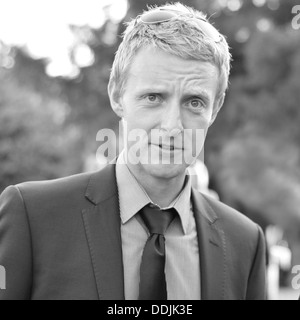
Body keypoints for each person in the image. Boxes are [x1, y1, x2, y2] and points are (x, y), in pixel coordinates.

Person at [0, 3, 266, 300]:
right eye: (154, 97)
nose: (172, 126)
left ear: (214, 109)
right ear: (117, 95)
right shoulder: (33, 217)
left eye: (194, 102)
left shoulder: (246, 242)